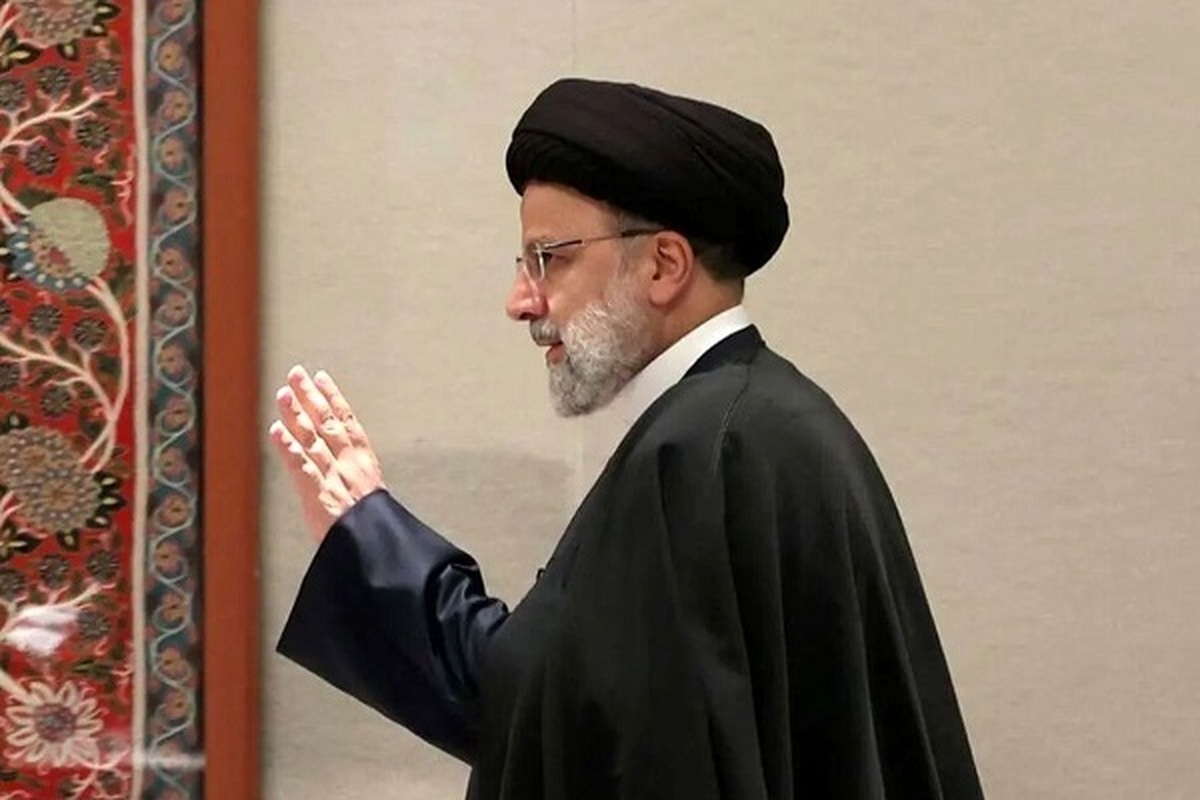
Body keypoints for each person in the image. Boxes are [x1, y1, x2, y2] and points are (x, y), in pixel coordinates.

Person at [269, 78, 985, 799]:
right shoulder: (764, 422)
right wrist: (368, 538)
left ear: (664, 265)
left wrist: (372, 544)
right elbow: (557, 708)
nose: (521, 301)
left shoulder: (702, 452)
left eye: (550, 258)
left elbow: (584, 744)